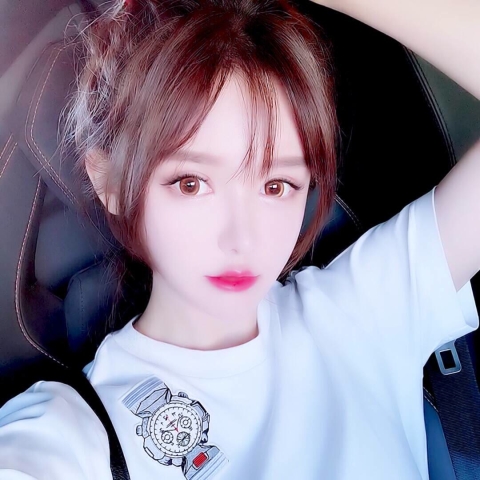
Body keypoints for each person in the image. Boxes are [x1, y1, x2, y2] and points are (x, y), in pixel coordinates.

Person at [0, 0, 479, 478]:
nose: (241, 238)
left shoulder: (364, 308)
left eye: (276, 186)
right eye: (191, 184)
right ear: (109, 182)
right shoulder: (75, 431)